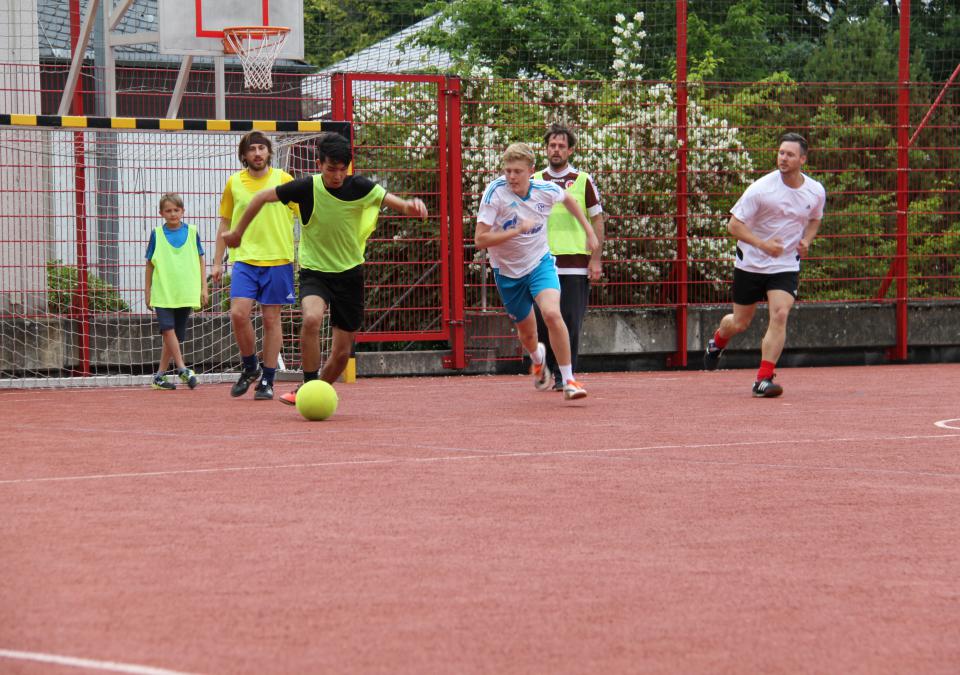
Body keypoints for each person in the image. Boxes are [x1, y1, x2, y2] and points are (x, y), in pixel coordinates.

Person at [221, 132, 428, 403]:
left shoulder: (361, 187)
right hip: (315, 271)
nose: (337, 176)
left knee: (341, 354)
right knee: (311, 318)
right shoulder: (306, 187)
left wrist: (412, 207)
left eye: (343, 170)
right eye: (331, 169)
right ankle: (307, 386)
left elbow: (398, 204)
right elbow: (260, 198)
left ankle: (311, 392)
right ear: (320, 164)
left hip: (350, 273)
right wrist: (237, 232)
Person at [703, 132, 826, 398]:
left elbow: (815, 218)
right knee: (739, 322)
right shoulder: (761, 189)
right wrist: (763, 245)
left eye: (790, 154)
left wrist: (807, 239)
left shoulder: (815, 190)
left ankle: (763, 379)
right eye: (781, 152)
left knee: (780, 314)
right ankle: (717, 342)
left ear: (802, 159)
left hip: (784, 265)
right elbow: (733, 225)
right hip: (752, 263)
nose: (783, 158)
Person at [475, 142, 600, 401]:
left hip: (539, 263)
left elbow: (568, 200)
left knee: (553, 314)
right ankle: (537, 360)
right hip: (508, 273)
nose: (511, 177)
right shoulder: (494, 193)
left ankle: (569, 380)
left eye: (517, 171)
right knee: (529, 334)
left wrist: (589, 231)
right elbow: (480, 239)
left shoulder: (544, 189)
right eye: (508, 171)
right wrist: (515, 231)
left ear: (531, 171)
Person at [212, 131, 298, 401]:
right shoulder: (234, 183)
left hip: (278, 259)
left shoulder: (284, 180)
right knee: (238, 314)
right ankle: (250, 367)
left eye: (262, 148)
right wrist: (216, 262)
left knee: (272, 320)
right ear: (244, 155)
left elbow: (304, 212)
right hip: (245, 259)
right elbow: (225, 223)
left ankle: (268, 380)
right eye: (252, 149)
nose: (258, 153)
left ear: (269, 152)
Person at [533, 122, 605, 391]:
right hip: (542, 262)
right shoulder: (535, 180)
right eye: (552, 145)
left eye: (562, 146)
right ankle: (547, 371)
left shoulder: (583, 181)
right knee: (543, 322)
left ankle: (566, 374)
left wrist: (595, 259)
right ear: (546, 148)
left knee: (570, 321)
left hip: (575, 262)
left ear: (571, 150)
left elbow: (597, 220)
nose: (556, 150)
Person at [144, 193, 208, 390]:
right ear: (161, 213)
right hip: (163, 292)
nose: (172, 214)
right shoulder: (156, 234)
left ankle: (159, 376)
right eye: (168, 210)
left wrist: (203, 287)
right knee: (167, 329)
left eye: (176, 210)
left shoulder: (192, 232)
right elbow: (149, 264)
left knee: (173, 337)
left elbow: (200, 260)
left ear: (183, 211)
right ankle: (182, 369)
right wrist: (148, 292)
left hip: (185, 292)